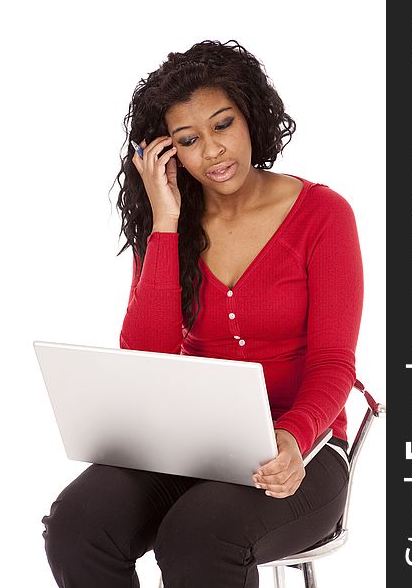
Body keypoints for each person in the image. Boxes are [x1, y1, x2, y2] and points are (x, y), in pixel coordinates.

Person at [41, 39, 364, 588]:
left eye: (223, 125)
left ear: (251, 117)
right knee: (77, 527)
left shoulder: (322, 216)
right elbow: (148, 359)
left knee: (198, 534)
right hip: (188, 446)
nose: (212, 151)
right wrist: (164, 225)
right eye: (189, 140)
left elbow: (335, 362)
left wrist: (291, 436)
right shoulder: (167, 226)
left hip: (302, 453)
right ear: (167, 152)